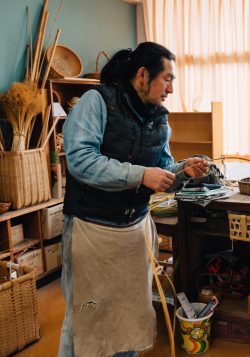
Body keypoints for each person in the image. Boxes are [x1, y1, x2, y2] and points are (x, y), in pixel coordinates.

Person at [58, 42, 208, 357]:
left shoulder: (159, 119)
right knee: (89, 313)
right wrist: (140, 175)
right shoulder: (96, 101)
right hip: (91, 230)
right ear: (142, 75)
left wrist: (183, 171)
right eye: (167, 78)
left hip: (134, 233)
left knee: (127, 314)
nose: (171, 88)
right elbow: (81, 160)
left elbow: (163, 173)